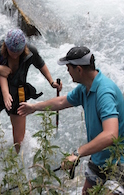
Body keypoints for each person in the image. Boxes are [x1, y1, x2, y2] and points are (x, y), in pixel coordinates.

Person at [17, 46, 124, 194]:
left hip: (118, 161)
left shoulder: (104, 93)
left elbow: (111, 134)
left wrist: (77, 153)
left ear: (79, 69)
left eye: (69, 67)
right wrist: (34, 107)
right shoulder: (85, 87)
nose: (67, 71)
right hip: (100, 157)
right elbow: (61, 102)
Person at [0, 29, 62, 153]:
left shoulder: (30, 51)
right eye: (12, 51)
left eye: (18, 52)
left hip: (19, 92)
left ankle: (18, 163)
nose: (15, 55)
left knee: (19, 141)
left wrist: (52, 82)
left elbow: (41, 65)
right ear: (6, 46)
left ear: (24, 47)